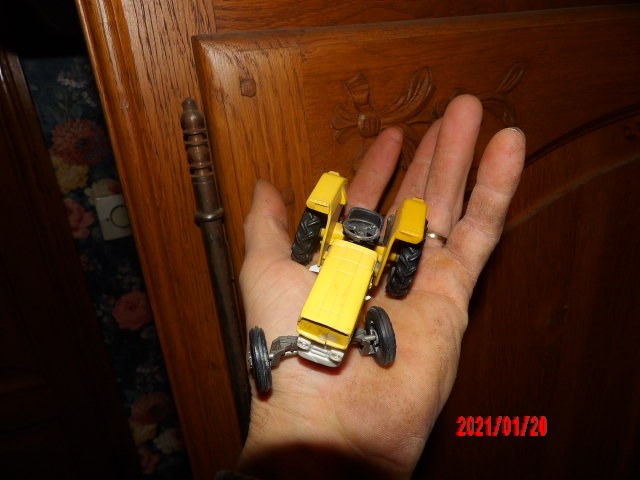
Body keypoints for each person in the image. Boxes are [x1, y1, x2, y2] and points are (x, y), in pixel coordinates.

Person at [234, 94, 526, 479]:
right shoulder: (334, 237)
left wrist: (401, 264)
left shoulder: (380, 257)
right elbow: (315, 234)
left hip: (368, 259)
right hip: (331, 276)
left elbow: (402, 253)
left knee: (408, 240)